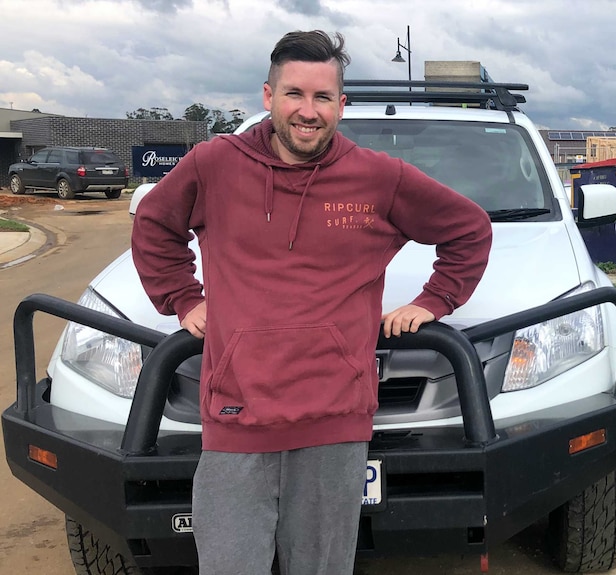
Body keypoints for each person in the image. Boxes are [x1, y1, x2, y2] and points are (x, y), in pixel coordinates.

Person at [130, 30, 492, 575]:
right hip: (236, 417)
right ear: (268, 96)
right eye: (294, 93)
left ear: (341, 106)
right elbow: (155, 225)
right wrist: (183, 299)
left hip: (335, 421)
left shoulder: (379, 177)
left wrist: (434, 300)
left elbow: (468, 228)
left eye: (323, 97)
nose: (308, 110)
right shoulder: (214, 165)